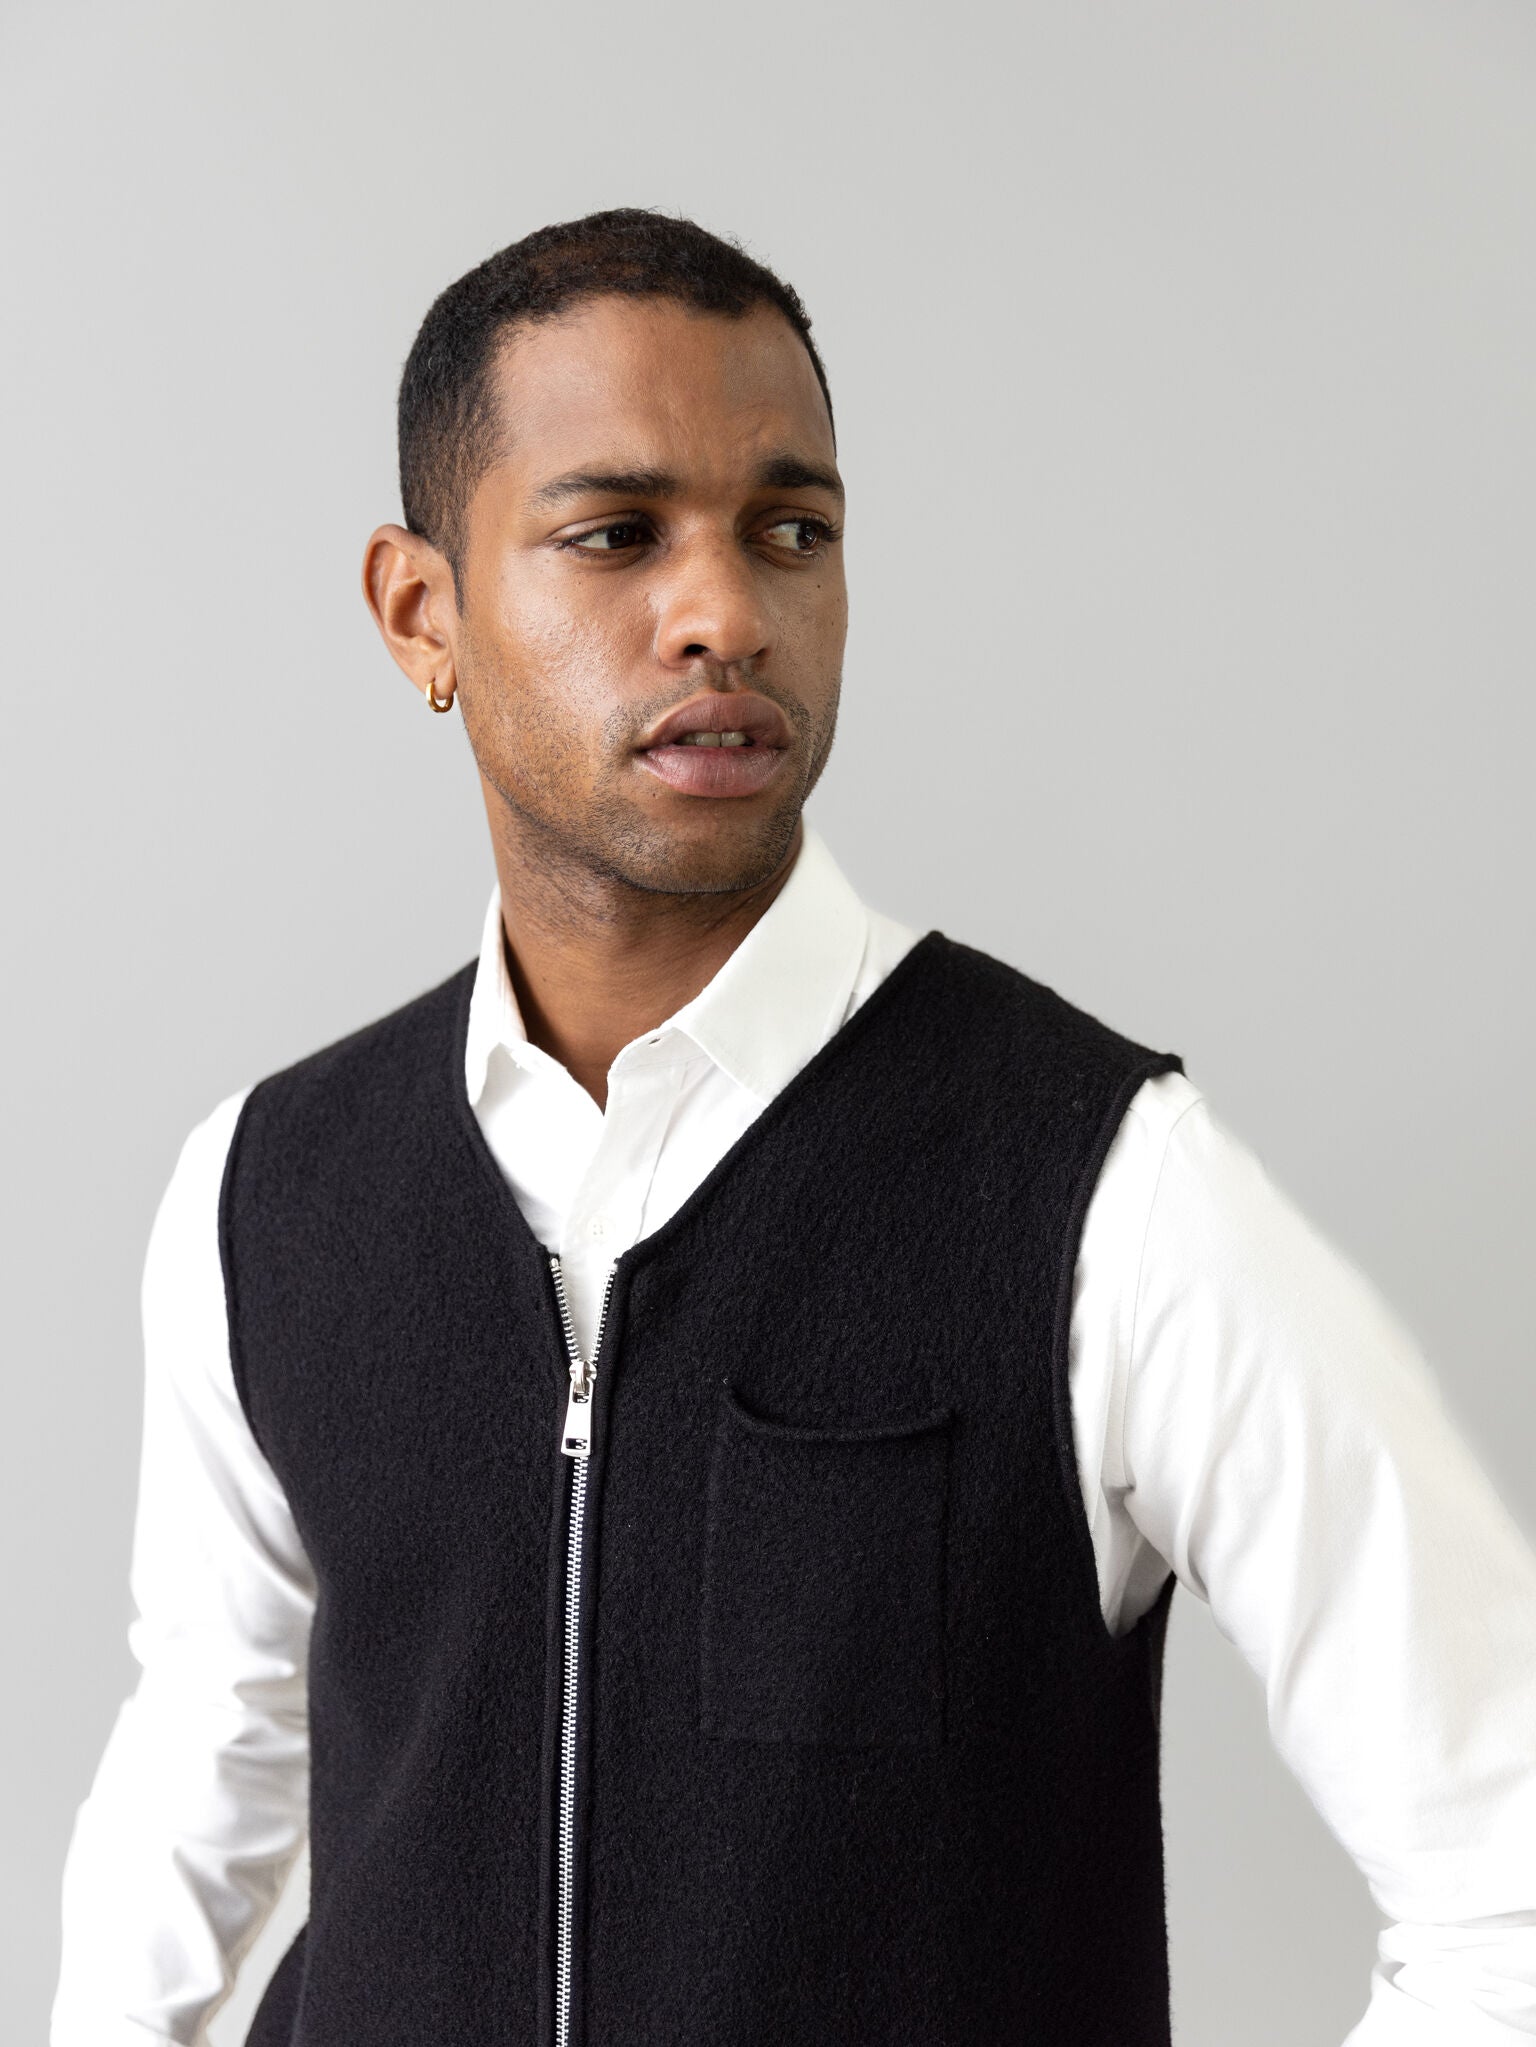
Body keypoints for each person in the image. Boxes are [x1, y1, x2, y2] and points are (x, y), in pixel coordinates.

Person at [51, 208, 1536, 2047]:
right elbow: (209, 1748)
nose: (728, 615)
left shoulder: (1097, 1186)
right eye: (617, 534)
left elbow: (1506, 1883)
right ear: (422, 613)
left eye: (790, 532)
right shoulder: (270, 1190)